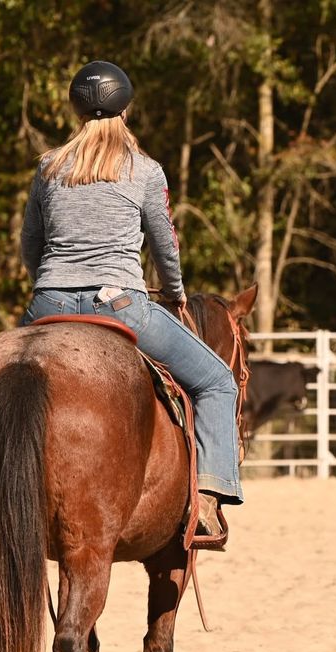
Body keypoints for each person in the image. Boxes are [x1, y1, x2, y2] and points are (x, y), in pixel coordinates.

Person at [18, 60, 242, 543]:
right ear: (127, 108)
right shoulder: (144, 170)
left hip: (47, 304)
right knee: (218, 381)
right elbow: (165, 247)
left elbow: (29, 247)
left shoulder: (49, 166)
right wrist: (177, 295)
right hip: (118, 306)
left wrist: (51, 285)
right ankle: (207, 502)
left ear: (76, 107)